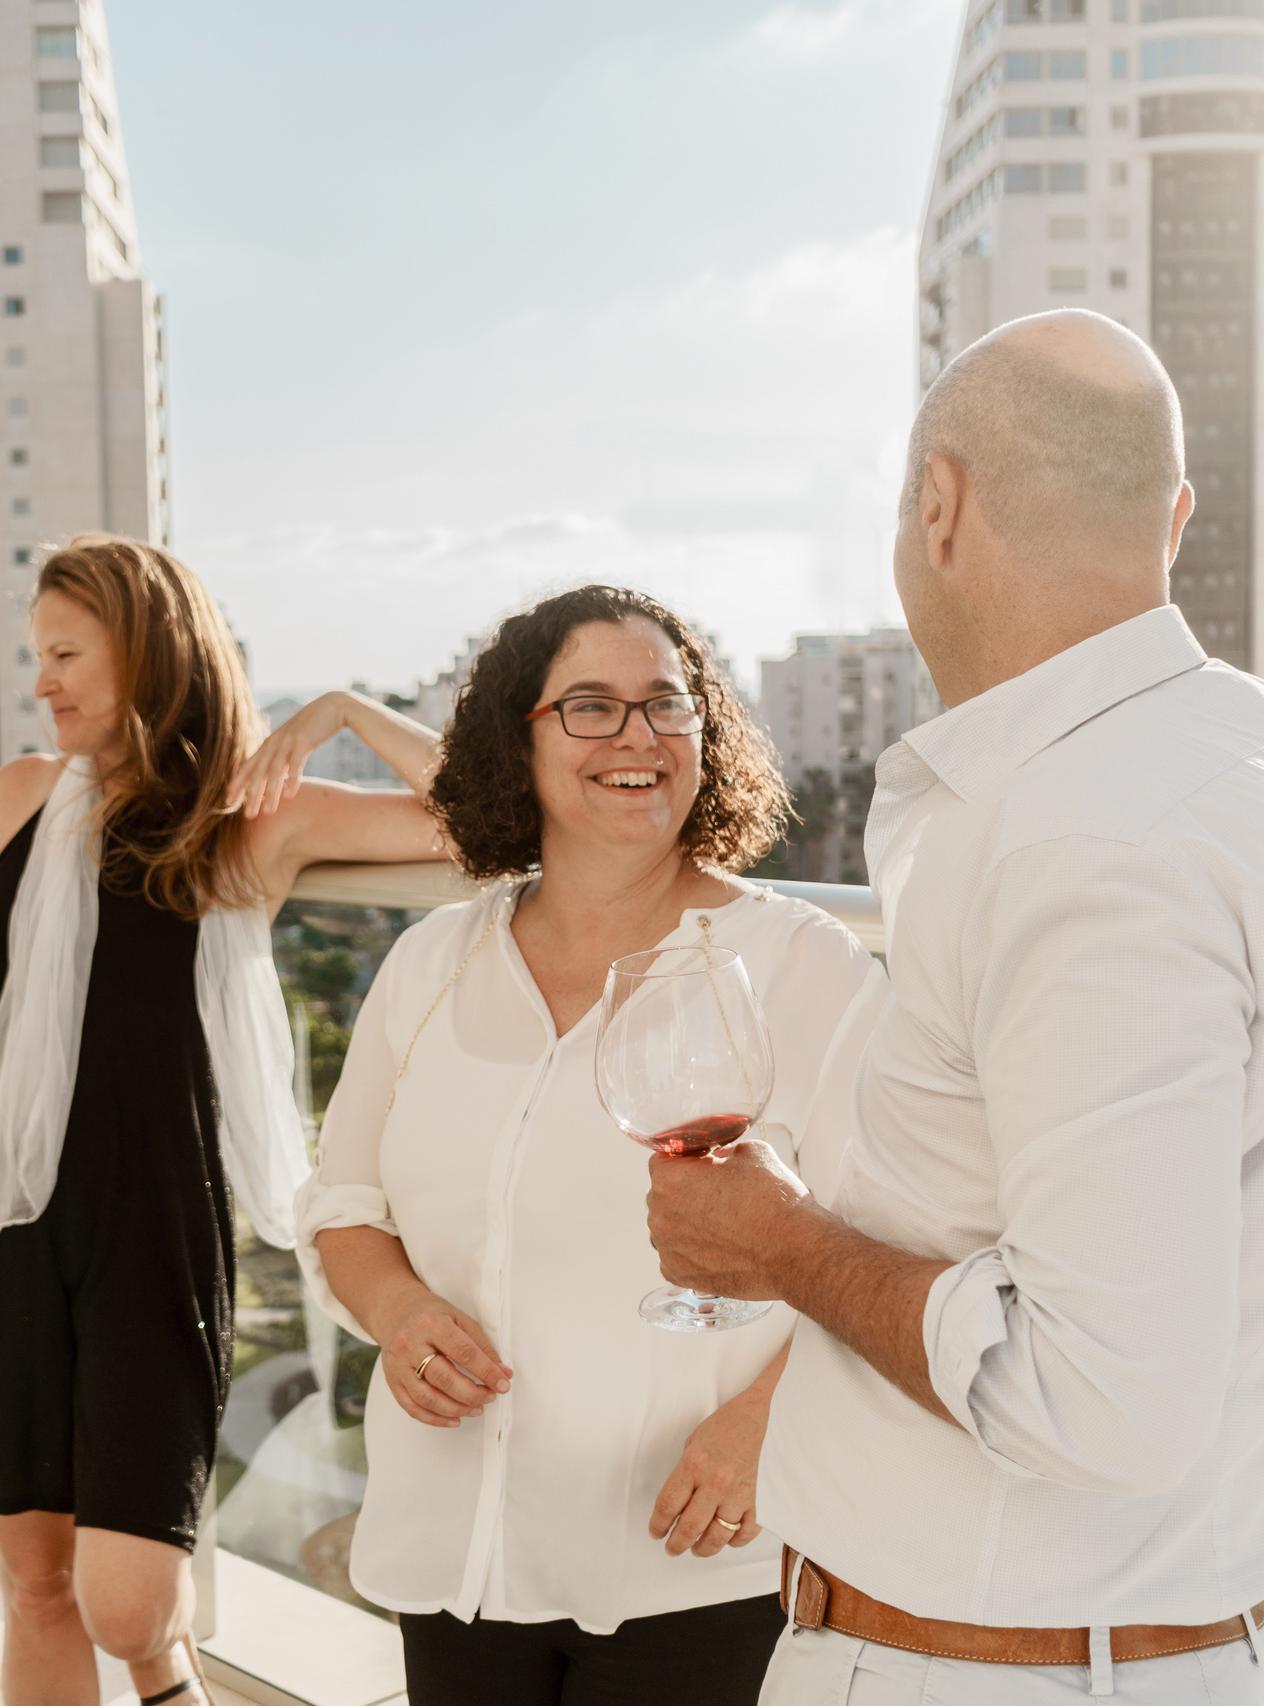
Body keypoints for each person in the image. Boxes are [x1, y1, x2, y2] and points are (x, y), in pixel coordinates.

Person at [644, 309, 1264, 1706]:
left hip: (978, 1672)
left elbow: (1101, 1391)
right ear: (1170, 516)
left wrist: (783, 1247)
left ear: (937, 508)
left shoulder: (1085, 839)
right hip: (1144, 1652)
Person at [0, 535, 448, 1706]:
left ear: (147, 650)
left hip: (152, 1221)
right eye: (35, 656)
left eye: (64, 653)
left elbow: (489, 818)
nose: (41, 680)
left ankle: (165, 1671)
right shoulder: (13, 795)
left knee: (130, 1602)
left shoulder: (253, 815)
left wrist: (344, 709)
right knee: (37, 1585)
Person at [293, 586, 880, 1705]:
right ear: (516, 738)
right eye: (591, 706)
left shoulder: (805, 968)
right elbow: (343, 1204)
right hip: (453, 1547)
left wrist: (771, 1422)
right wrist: (399, 1312)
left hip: (697, 1554)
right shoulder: (431, 961)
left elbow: (906, 1237)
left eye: (667, 706)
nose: (636, 737)